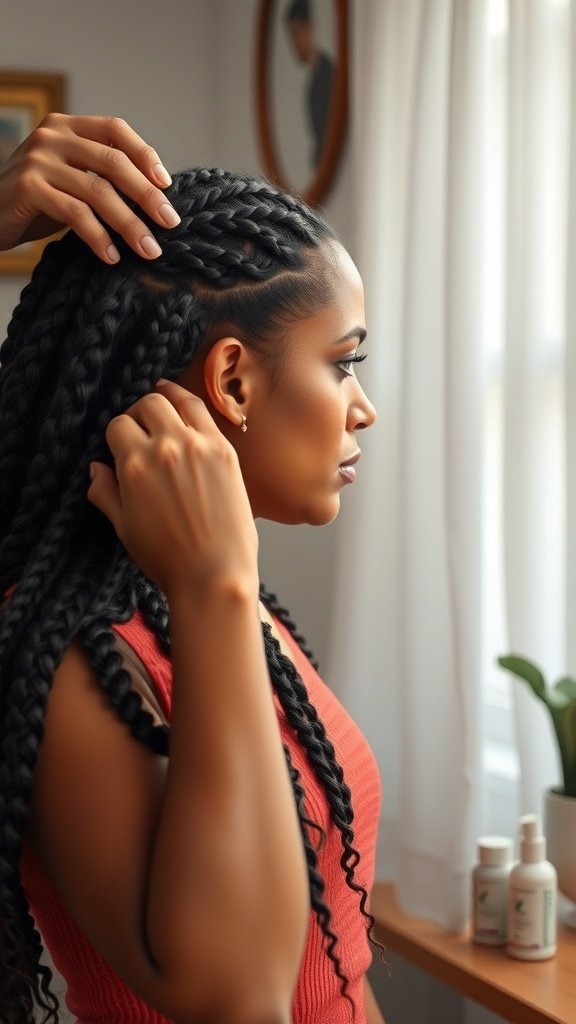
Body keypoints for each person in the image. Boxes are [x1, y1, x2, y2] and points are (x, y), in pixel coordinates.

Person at [0, 115, 384, 1024]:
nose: (362, 407)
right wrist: (217, 585)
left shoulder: (216, 604)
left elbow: (337, 965)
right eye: (344, 363)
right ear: (234, 382)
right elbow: (242, 997)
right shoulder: (81, 654)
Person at [285, 0, 334, 168]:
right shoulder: (314, 80)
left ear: (310, 28)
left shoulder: (329, 74)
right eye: (291, 36)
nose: (294, 43)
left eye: (297, 33)